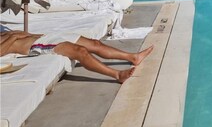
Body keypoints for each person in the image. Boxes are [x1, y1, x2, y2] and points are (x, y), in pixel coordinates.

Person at [0, 30, 153, 83]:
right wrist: (13, 37)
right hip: (37, 47)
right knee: (80, 51)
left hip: (45, 37)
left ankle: (133, 57)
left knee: (95, 44)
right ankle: (117, 74)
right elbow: (7, 45)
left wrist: (16, 34)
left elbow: (20, 34)